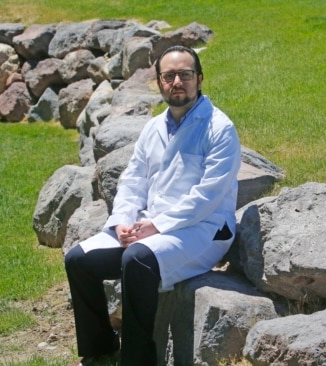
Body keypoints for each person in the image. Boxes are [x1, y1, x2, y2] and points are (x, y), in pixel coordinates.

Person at [65, 45, 241, 366]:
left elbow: (207, 197)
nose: (177, 82)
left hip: (204, 230)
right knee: (78, 260)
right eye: (169, 76)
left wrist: (156, 226)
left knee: (137, 260)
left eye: (185, 75)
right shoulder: (153, 127)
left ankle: (136, 360)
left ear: (199, 80)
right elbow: (132, 182)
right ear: (159, 83)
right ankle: (100, 351)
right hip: (151, 228)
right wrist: (122, 221)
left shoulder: (219, 129)